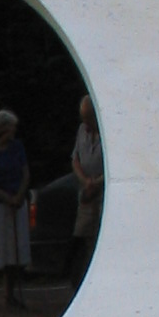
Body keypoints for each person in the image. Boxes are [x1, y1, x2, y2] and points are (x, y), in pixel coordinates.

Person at [0, 109, 30, 309]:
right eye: (11, 126)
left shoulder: (17, 147)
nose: (14, 130)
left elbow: (25, 172)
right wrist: (6, 198)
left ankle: (9, 294)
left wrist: (19, 195)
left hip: (17, 203)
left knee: (16, 250)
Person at [70, 93, 104, 293]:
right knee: (82, 235)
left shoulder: (107, 134)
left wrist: (97, 183)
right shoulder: (82, 131)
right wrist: (86, 181)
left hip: (102, 192)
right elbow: (75, 159)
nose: (86, 123)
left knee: (98, 234)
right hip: (86, 191)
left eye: (88, 118)